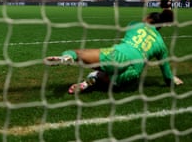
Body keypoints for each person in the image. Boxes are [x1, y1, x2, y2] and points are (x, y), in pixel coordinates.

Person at [44, 10, 183, 94]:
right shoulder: (162, 45)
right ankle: (94, 80)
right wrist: (173, 80)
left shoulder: (136, 24)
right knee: (109, 78)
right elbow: (167, 75)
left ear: (149, 20)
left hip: (119, 55)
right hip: (135, 71)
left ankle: (68, 57)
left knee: (78, 53)